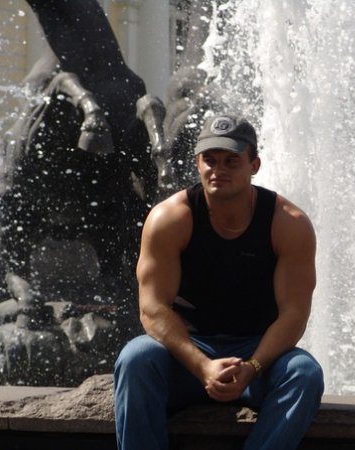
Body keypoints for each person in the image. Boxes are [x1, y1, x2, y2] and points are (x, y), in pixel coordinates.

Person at [114, 114, 324, 450]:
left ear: (254, 165)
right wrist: (202, 366)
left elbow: (294, 315)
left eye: (231, 161)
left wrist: (253, 368)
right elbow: (152, 308)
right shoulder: (170, 219)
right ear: (197, 163)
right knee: (136, 357)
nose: (218, 169)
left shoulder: (288, 223)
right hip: (187, 354)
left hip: (258, 357)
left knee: (304, 373)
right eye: (209, 160)